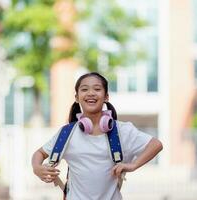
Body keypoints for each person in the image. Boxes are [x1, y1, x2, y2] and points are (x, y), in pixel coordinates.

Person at [32, 72, 163, 200]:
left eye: (97, 89)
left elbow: (156, 145)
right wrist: (37, 168)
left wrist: (133, 165)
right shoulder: (67, 133)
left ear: (106, 96)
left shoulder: (122, 130)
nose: (91, 93)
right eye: (84, 89)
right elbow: (40, 153)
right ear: (77, 97)